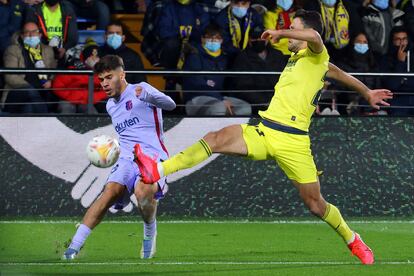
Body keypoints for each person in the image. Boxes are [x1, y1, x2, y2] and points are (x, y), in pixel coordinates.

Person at [134, 9, 393, 265]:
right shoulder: (302, 60)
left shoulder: (317, 54)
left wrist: (280, 31)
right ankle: (157, 171)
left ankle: (352, 239)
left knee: (315, 205)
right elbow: (340, 73)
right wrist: (367, 91)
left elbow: (315, 36)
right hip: (266, 131)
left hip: (294, 142)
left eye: (295, 29)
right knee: (215, 138)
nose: (291, 35)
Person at [62, 55, 176, 260]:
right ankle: (73, 247)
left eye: (109, 77)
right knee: (108, 194)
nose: (104, 84)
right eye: (101, 80)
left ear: (121, 75)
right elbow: (127, 135)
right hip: (126, 159)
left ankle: (150, 233)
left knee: (143, 192)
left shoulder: (141, 89)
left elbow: (171, 105)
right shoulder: (110, 106)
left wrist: (150, 97)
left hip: (152, 155)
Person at [183, 23, 252, 116]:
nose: (213, 40)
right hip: (196, 98)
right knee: (219, 107)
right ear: (202, 39)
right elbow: (197, 84)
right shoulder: (194, 56)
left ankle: (232, 130)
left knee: (245, 108)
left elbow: (229, 83)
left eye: (217, 38)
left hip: (220, 97)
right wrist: (221, 99)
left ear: (222, 40)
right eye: (209, 37)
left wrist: (226, 98)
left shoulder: (225, 57)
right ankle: (213, 131)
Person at [2, 21, 57, 113]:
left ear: (40, 35)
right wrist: (30, 88)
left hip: (42, 92)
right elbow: (10, 76)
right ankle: (45, 117)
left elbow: (54, 72)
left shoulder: (48, 50)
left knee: (29, 107)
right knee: (30, 92)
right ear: (22, 36)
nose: (31, 35)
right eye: (27, 32)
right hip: (18, 93)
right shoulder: (13, 50)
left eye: (34, 31)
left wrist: (51, 81)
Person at [52, 38, 107, 113]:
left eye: (97, 57)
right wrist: (72, 96)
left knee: (91, 113)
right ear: (84, 58)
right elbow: (57, 86)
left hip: (89, 102)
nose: (94, 59)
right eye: (91, 57)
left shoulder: (104, 73)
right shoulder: (73, 70)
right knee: (66, 109)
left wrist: (93, 97)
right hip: (69, 100)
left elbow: (108, 89)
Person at [380, 26, 414, 115]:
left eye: (404, 39)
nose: (402, 43)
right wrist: (400, 62)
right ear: (392, 41)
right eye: (398, 40)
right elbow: (392, 85)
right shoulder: (385, 60)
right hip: (397, 99)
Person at [99, 20, 147, 84]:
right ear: (105, 36)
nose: (114, 36)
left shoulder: (133, 56)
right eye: (111, 33)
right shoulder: (99, 54)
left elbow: (140, 81)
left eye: (118, 33)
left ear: (123, 37)